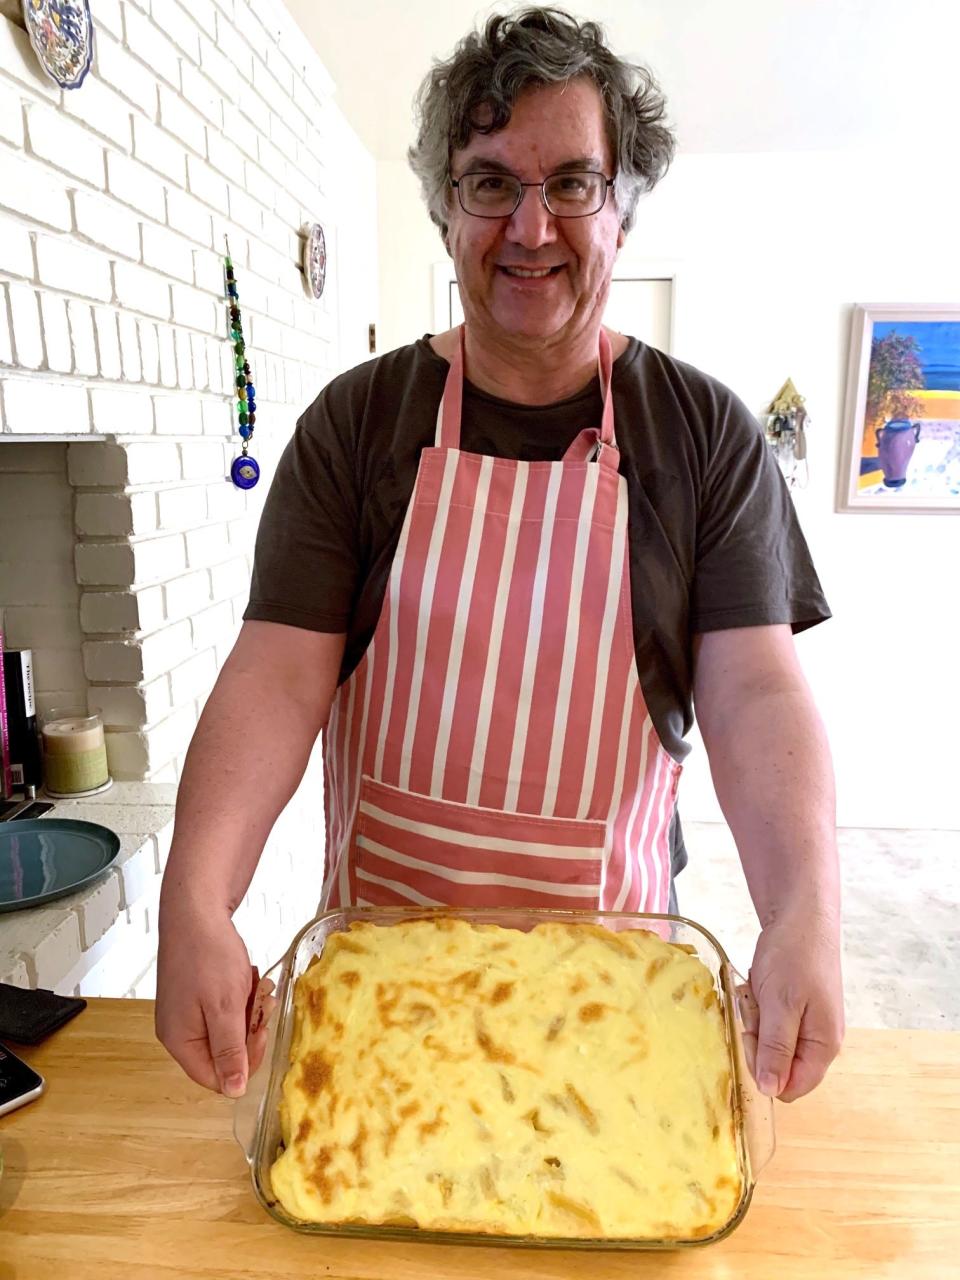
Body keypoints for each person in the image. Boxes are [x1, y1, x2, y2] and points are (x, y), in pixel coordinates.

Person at [157, 8, 843, 1109]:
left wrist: (805, 906)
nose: (531, 226)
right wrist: (195, 893)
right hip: (380, 1004)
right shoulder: (358, 424)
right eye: (489, 182)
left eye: (572, 183)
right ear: (444, 209)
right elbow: (277, 672)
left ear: (621, 208)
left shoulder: (704, 433)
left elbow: (756, 689)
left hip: (610, 1006)